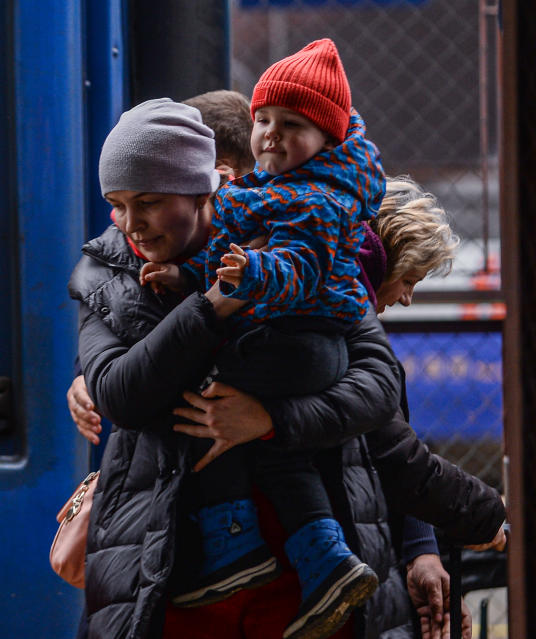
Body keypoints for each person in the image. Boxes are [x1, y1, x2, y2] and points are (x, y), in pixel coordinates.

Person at [68, 102, 505, 638]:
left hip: (306, 587)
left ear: (209, 189)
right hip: (170, 576)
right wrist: (208, 307)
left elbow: (379, 391)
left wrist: (272, 418)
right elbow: (120, 393)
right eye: (116, 205)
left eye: (150, 203)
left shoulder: (294, 248)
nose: (132, 223)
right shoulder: (104, 272)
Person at [138, 40, 388, 632]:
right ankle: (322, 560)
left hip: (305, 339)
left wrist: (253, 273)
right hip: (282, 334)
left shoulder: (321, 200)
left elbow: (298, 269)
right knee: (277, 450)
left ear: (326, 139)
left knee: (203, 394)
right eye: (264, 120)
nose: (272, 134)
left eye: (292, 124)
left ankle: (234, 541)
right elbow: (225, 257)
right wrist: (187, 274)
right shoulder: (259, 193)